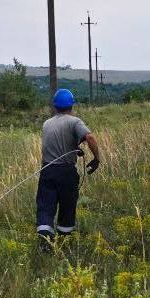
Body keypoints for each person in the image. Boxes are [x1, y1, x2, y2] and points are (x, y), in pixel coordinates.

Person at [36, 89, 100, 241]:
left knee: (45, 207)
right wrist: (97, 158)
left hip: (47, 170)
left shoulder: (47, 123)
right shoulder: (74, 122)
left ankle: (45, 241)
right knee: (67, 206)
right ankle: (64, 241)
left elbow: (55, 143)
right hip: (66, 172)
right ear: (72, 105)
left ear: (55, 106)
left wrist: (74, 147)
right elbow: (90, 137)